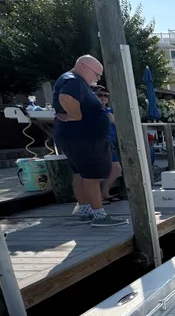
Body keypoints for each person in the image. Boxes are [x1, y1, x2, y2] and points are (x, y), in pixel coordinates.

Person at [52, 55, 126, 227]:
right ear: (84, 67)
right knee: (92, 177)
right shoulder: (74, 81)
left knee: (81, 174)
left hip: (76, 137)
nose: (98, 78)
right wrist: (76, 116)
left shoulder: (68, 79)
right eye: (97, 74)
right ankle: (99, 216)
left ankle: (86, 212)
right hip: (86, 138)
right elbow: (66, 98)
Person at [95, 85, 122, 202]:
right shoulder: (92, 110)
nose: (103, 98)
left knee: (116, 168)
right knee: (97, 171)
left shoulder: (110, 111)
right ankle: (97, 198)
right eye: (100, 95)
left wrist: (114, 121)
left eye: (106, 96)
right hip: (98, 142)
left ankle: (105, 192)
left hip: (110, 142)